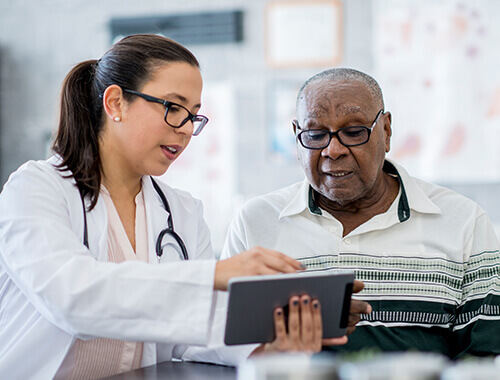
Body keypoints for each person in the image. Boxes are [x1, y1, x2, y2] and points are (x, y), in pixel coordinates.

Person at [0, 36, 368, 379]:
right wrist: (212, 276)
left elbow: (192, 334)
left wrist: (271, 338)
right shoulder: (35, 189)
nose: (186, 129)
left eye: (193, 115)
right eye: (173, 108)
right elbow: (72, 298)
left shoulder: (181, 211)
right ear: (115, 103)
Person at [221, 68, 500, 359]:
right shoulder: (255, 223)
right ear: (296, 136)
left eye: (354, 132)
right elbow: (221, 349)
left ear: (386, 131)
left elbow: (485, 359)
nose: (333, 150)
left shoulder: (463, 222)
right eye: (316, 135)